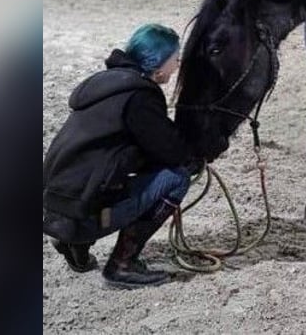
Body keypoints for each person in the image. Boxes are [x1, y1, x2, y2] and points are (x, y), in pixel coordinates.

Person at [43, 23, 201, 289]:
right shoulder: (140, 96)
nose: (177, 66)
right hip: (81, 212)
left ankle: (74, 242)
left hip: (55, 206)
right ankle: (122, 265)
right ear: (158, 63)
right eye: (175, 59)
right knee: (177, 177)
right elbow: (173, 152)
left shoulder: (106, 85)